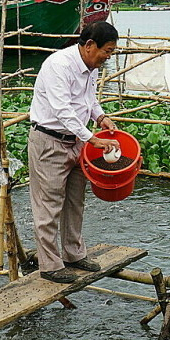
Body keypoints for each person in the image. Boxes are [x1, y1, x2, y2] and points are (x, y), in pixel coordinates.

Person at [28, 21, 120, 283]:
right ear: (89, 45)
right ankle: (50, 265)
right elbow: (62, 109)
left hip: (77, 142)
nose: (108, 57)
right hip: (50, 141)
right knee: (48, 205)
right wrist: (93, 139)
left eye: (112, 52)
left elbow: (88, 99)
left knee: (75, 200)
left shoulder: (91, 67)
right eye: (107, 51)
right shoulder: (59, 65)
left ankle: (74, 254)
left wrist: (100, 117)